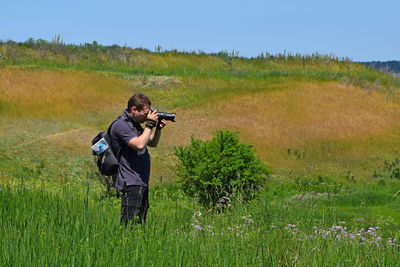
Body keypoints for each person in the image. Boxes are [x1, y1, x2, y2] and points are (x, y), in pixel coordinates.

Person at [109, 93, 167, 225]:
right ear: (134, 109)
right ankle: (124, 245)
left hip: (140, 180)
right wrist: (149, 124)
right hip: (130, 181)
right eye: (145, 113)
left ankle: (135, 245)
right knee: (129, 224)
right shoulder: (120, 125)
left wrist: (157, 129)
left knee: (139, 224)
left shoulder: (135, 125)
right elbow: (139, 145)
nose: (147, 116)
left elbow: (151, 143)